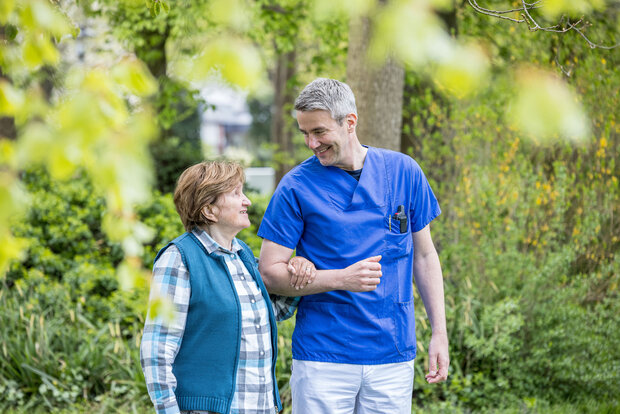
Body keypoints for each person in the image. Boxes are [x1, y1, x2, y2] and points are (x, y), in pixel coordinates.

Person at [257, 78, 449, 413]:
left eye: (318, 131)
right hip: (323, 356)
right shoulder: (295, 187)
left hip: (392, 352)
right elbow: (270, 273)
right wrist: (340, 279)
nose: (311, 143)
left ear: (350, 122)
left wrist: (439, 332)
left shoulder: (404, 172)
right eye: (304, 133)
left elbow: (425, 255)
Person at [140, 161, 315, 414]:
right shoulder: (179, 258)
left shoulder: (241, 254)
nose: (247, 202)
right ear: (209, 210)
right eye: (236, 194)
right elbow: (156, 350)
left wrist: (297, 268)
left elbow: (272, 311)